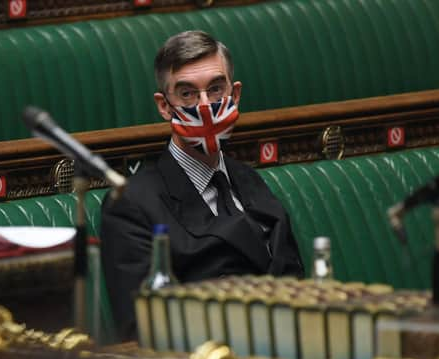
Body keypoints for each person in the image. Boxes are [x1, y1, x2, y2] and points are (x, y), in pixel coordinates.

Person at [101, 30, 303, 341]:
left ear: (234, 95)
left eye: (216, 89)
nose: (205, 106)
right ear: (164, 106)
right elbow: (142, 331)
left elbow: (297, 284)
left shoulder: (249, 179)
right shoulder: (132, 203)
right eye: (187, 94)